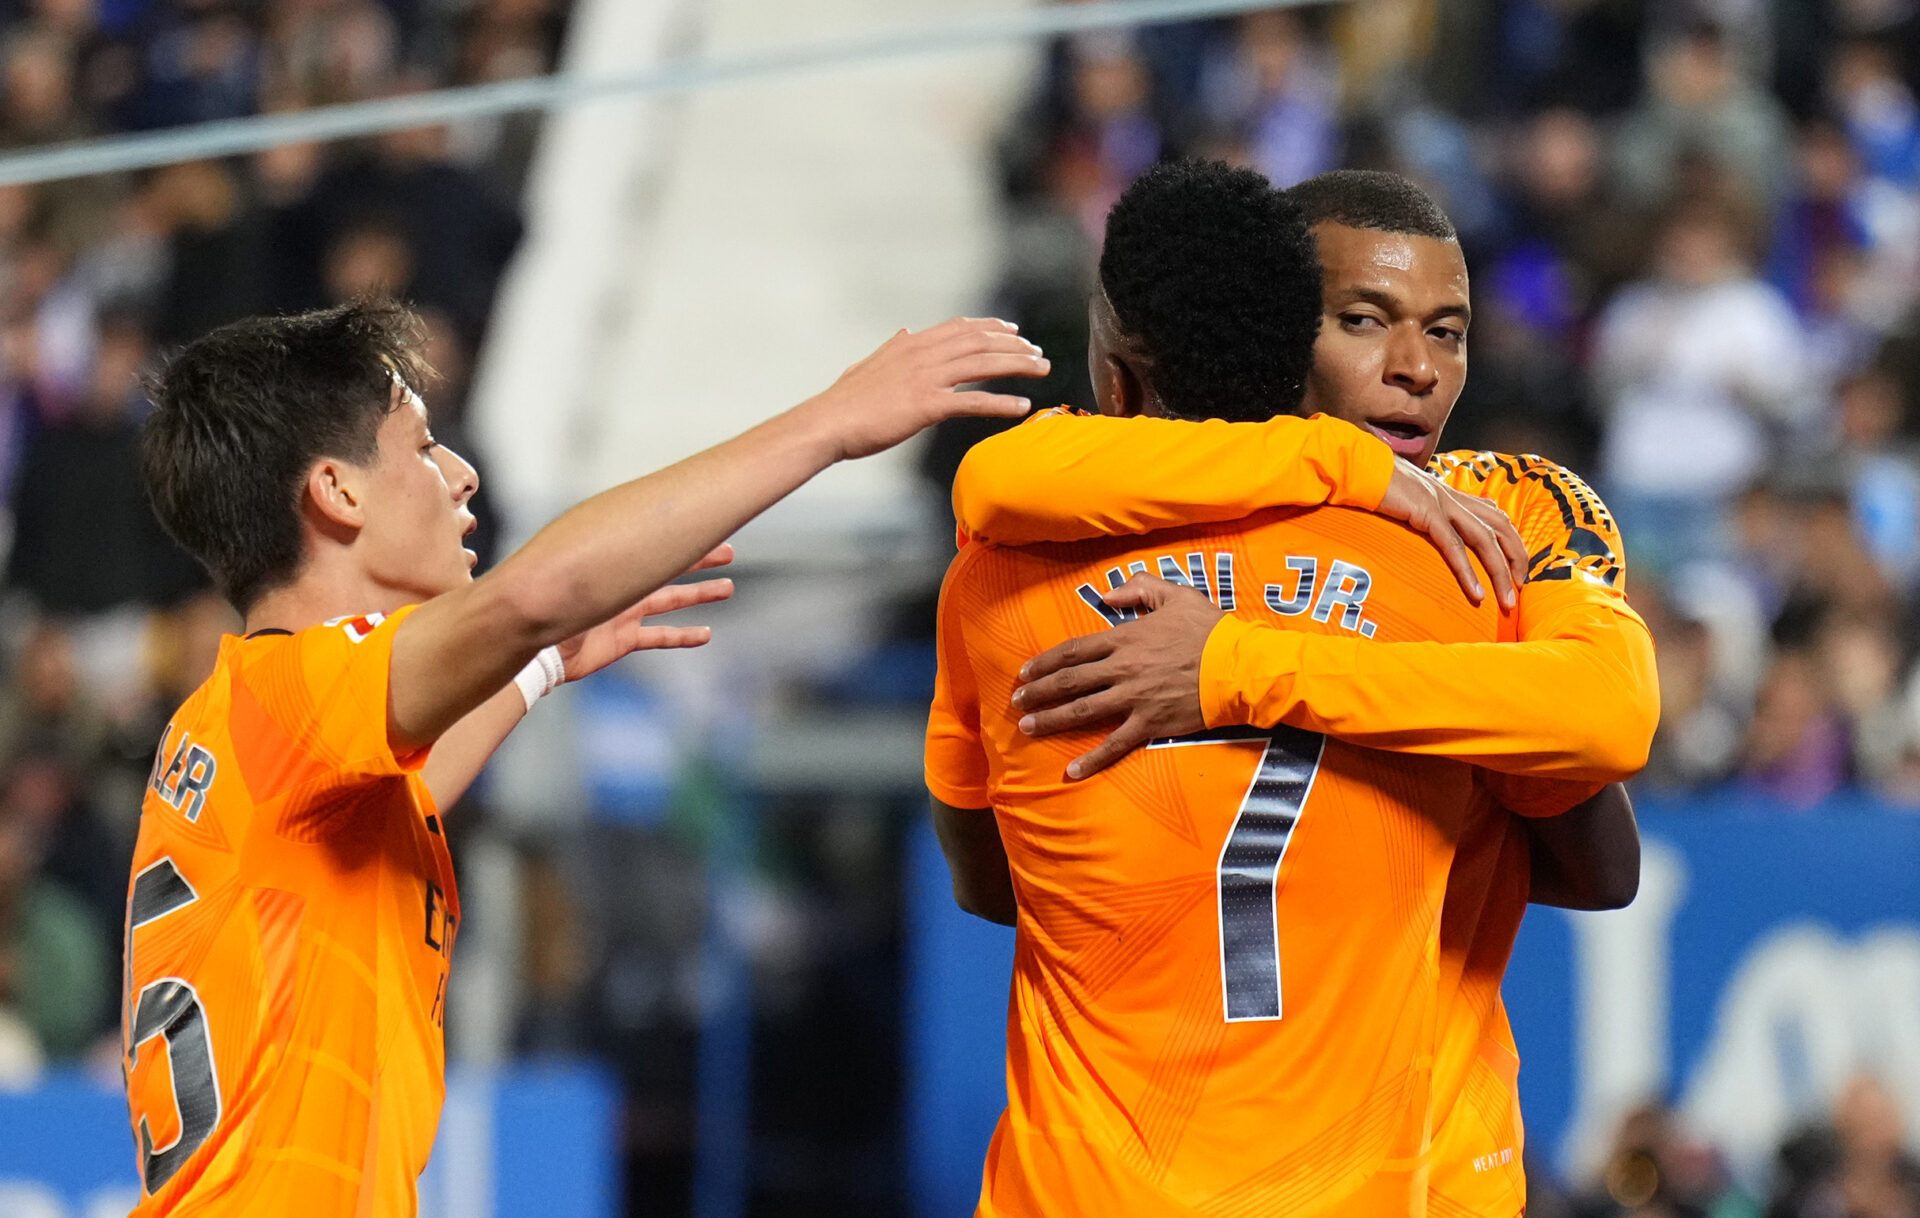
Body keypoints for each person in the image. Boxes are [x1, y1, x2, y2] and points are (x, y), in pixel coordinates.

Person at [123, 299, 1046, 1215]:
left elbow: (414, 795)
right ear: (338, 491)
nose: (461, 473)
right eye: (420, 444)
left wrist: (544, 663)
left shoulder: (245, 725)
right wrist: (832, 423)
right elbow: (537, 593)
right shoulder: (295, 690)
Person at [946, 169, 1659, 1216]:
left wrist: (1243, 668)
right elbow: (1597, 849)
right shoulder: (1469, 566)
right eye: (1363, 321)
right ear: (1283, 326)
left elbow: (1604, 824)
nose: (1415, 369)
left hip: (1373, 1162)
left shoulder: (1496, 516)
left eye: (1450, 333)